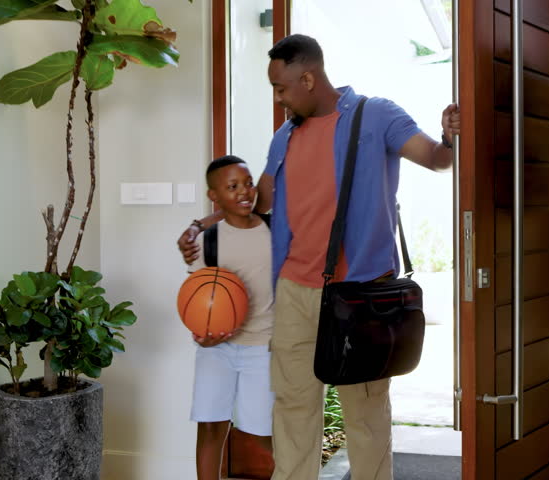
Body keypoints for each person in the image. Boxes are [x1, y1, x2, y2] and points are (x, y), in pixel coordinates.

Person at [179, 34, 460, 480]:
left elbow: (435, 158)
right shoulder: (285, 136)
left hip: (361, 296)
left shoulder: (376, 115)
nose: (278, 98)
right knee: (293, 411)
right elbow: (260, 202)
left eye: (281, 88)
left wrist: (448, 138)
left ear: (307, 79)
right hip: (294, 292)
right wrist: (202, 224)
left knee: (366, 417)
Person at [185, 155, 275, 480]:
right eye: (233, 186)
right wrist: (202, 333)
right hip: (216, 350)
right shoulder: (207, 241)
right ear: (215, 197)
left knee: (262, 435)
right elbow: (197, 296)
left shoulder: (274, 232)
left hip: (262, 348)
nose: (244, 192)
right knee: (210, 425)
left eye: (248, 183)